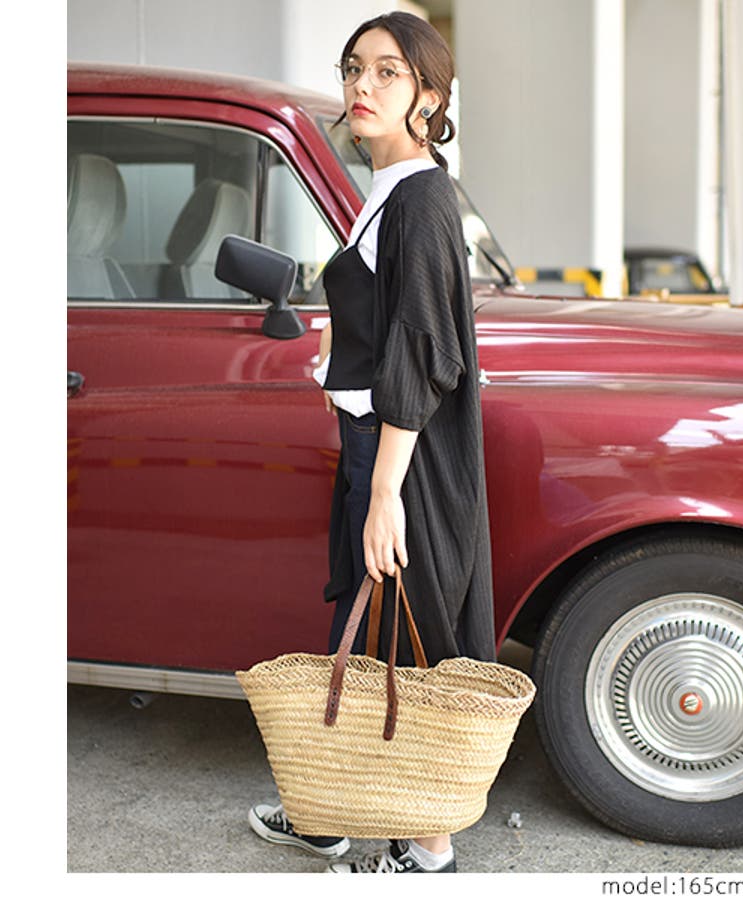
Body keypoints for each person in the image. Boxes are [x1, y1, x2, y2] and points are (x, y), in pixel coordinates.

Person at [247, 10, 496, 874]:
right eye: (355, 68)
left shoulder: (420, 197)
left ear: (429, 95)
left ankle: (429, 850)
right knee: (362, 625)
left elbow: (423, 353)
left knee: (410, 634)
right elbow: (386, 324)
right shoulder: (387, 191)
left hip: (404, 461)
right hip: (375, 446)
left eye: (388, 71)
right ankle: (324, 808)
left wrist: (385, 489)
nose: (362, 84)